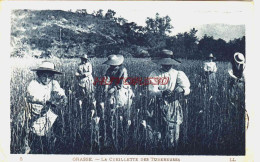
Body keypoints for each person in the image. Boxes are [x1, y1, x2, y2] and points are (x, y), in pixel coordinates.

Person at [147, 49, 190, 149]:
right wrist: (161, 92)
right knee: (158, 128)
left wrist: (181, 90)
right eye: (164, 64)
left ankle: (171, 149)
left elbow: (187, 88)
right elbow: (152, 90)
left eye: (169, 64)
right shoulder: (155, 74)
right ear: (161, 63)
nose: (167, 66)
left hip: (173, 103)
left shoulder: (178, 73)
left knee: (173, 128)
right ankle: (158, 149)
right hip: (158, 103)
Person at [23, 61, 67, 154]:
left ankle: (49, 144)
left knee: (51, 126)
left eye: (49, 76)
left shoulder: (53, 83)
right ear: (39, 74)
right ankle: (30, 146)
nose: (47, 79)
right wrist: (44, 101)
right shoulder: (34, 83)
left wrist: (63, 96)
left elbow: (59, 91)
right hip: (33, 112)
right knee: (33, 131)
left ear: (52, 76)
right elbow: (30, 96)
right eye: (44, 76)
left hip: (46, 111)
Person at [102, 54, 135, 151]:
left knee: (124, 109)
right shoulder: (109, 70)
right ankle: (114, 128)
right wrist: (106, 88)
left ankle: (125, 129)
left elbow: (121, 83)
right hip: (112, 90)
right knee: (112, 107)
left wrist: (113, 88)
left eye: (113, 65)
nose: (112, 66)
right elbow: (106, 80)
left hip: (122, 90)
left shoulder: (123, 70)